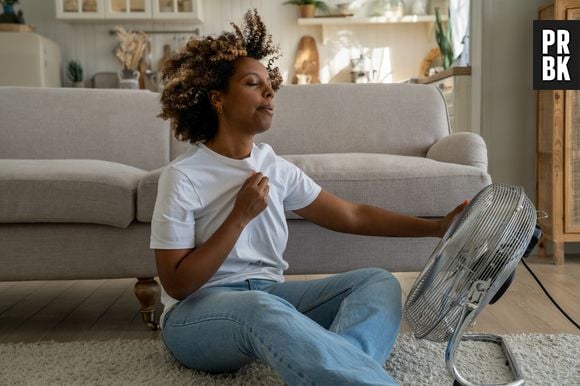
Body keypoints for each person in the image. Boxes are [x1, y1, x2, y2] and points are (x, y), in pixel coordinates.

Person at [152, 9, 467, 385]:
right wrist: (239, 217)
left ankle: (339, 369)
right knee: (262, 307)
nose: (269, 91)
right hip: (196, 316)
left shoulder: (275, 167)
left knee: (378, 283)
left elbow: (351, 215)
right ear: (217, 99)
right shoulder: (183, 176)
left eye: (270, 84)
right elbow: (176, 284)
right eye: (253, 84)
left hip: (270, 298)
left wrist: (437, 228)